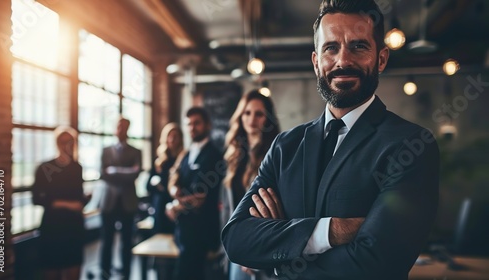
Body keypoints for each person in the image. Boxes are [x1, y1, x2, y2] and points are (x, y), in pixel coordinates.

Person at [221, 1, 440, 279]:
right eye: (331, 48)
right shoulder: (284, 147)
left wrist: (279, 256)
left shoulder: (411, 145)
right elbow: (236, 239)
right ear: (316, 62)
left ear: (381, 59)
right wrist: (332, 230)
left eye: (358, 47)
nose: (343, 61)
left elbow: (377, 263)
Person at [223, 89, 280, 280]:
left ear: (267, 119)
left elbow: (276, 209)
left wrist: (259, 250)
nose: (251, 119)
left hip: (262, 246)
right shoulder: (235, 155)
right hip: (236, 246)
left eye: (259, 114)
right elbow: (228, 207)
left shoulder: (276, 153)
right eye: (247, 113)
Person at [166, 107, 225, 280]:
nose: (192, 128)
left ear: (208, 125)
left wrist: (176, 205)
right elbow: (175, 179)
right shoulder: (186, 154)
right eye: (189, 124)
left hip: (202, 232)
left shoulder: (215, 155)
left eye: (196, 123)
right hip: (183, 230)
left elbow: (200, 197)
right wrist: (174, 191)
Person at [32, 126, 87, 280]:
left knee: (73, 270)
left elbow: (78, 196)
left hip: (73, 227)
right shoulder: (44, 168)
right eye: (64, 142)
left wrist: (84, 200)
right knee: (51, 270)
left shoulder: (77, 168)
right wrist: (67, 204)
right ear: (57, 144)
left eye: (71, 142)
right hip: (53, 227)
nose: (67, 146)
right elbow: (37, 198)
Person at [99, 117, 142, 279]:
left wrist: (114, 171)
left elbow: (136, 173)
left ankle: (126, 273)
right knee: (106, 240)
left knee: (126, 240)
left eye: (123, 127)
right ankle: (104, 271)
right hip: (109, 201)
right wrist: (126, 172)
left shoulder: (136, 151)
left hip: (128, 202)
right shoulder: (105, 150)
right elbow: (103, 174)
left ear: (128, 129)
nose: (120, 130)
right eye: (118, 127)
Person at [145, 123, 183, 235]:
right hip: (160, 206)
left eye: (175, 136)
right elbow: (148, 186)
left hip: (176, 206)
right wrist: (160, 187)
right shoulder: (159, 161)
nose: (172, 139)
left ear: (180, 139)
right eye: (169, 136)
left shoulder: (184, 159)